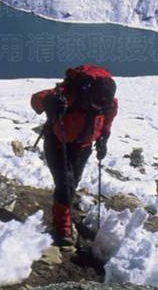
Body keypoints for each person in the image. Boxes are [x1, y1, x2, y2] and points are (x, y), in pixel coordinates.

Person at [31, 64, 118, 246]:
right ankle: (62, 228)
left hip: (82, 146)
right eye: (94, 105)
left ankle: (64, 214)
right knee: (65, 183)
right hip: (57, 142)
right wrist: (51, 104)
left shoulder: (109, 103)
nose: (97, 109)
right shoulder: (70, 93)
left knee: (72, 183)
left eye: (101, 107)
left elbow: (107, 122)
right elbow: (36, 99)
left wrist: (104, 139)